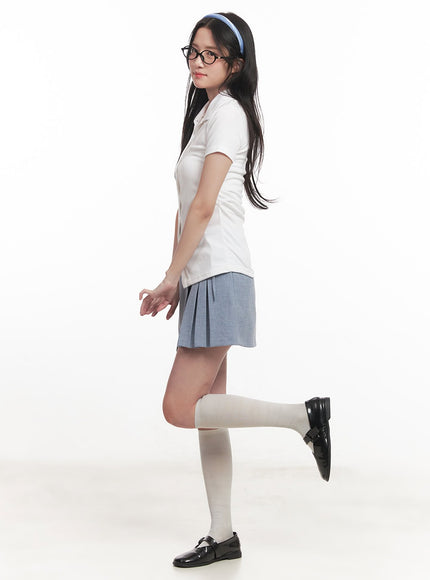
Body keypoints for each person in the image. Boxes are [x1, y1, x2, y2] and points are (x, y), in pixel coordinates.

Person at [139, 12, 331, 568]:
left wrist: (173, 274)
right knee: (209, 414)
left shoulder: (228, 114)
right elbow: (185, 209)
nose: (198, 63)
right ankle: (223, 535)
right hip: (204, 277)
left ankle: (303, 417)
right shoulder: (206, 115)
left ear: (236, 64)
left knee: (180, 407)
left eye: (211, 55)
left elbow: (204, 207)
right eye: (193, 52)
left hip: (221, 273)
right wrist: (175, 278)